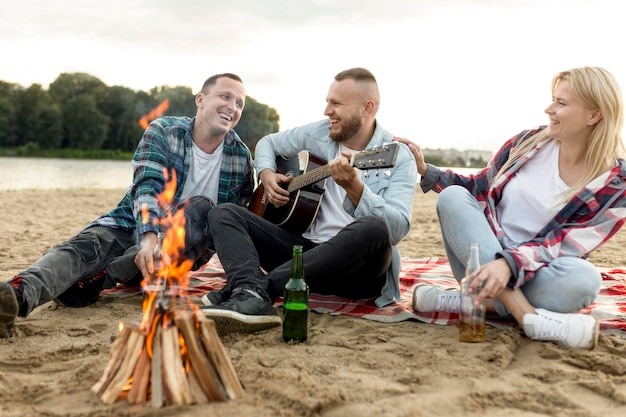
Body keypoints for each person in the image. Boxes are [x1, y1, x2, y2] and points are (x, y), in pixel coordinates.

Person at [0, 73, 255, 338]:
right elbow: (147, 186)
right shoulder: (164, 131)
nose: (232, 107)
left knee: (203, 207)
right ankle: (16, 295)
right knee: (82, 248)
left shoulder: (241, 158)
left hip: (178, 253)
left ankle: (104, 277)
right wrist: (148, 239)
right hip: (132, 223)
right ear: (200, 99)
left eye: (239, 103)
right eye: (225, 96)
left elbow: (234, 221)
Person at [395, 66, 626, 350]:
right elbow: (478, 186)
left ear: (594, 115)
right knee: (453, 197)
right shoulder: (526, 142)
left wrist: (509, 264)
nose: (548, 109)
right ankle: (527, 316)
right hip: (480, 259)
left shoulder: (615, 185)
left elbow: (564, 245)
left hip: (537, 270)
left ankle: (471, 301)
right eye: (553, 99)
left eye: (561, 103)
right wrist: (425, 169)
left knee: (585, 280)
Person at [201, 67, 417, 335]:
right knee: (223, 214)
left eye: (336, 104)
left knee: (374, 228)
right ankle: (248, 289)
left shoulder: (399, 157)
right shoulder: (320, 132)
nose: (327, 111)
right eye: (328, 102)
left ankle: (259, 291)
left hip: (358, 272)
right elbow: (268, 143)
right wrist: (267, 174)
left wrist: (356, 189)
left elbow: (396, 229)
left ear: (367, 108)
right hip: (300, 258)